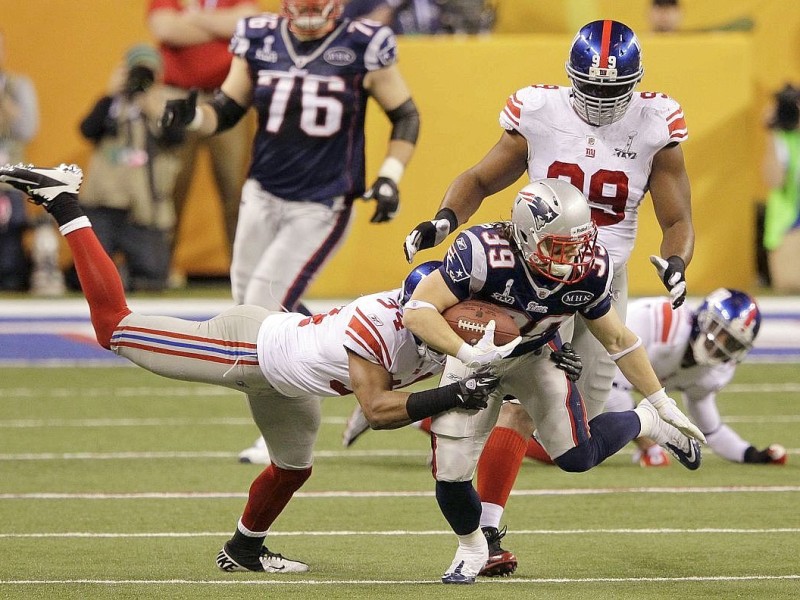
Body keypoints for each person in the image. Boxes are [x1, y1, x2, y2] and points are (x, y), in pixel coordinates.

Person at [0, 162, 500, 575]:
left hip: (291, 378)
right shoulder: (382, 323)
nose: (462, 318)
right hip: (245, 349)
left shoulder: (440, 319)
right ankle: (64, 200)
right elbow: (378, 409)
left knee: (292, 467)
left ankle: (242, 550)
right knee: (114, 326)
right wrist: (453, 396)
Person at [402, 19, 694, 576]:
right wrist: (444, 219)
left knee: (581, 425)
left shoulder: (656, 124)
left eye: (615, 90)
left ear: (635, 83)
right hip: (535, 271)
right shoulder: (540, 110)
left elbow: (677, 216)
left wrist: (677, 262)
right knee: (518, 392)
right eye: (594, 87)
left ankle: (645, 421)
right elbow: (482, 178)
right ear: (571, 77)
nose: (604, 101)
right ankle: (486, 528)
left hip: (603, 277)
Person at [401, 178, 705, 584]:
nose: (575, 257)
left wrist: (661, 399)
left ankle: (647, 421)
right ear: (527, 236)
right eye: (561, 247)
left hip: (537, 356)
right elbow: (419, 310)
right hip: (471, 355)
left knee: (576, 457)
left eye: (579, 244)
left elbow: (617, 338)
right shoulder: (482, 253)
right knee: (451, 472)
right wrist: (470, 354)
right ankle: (472, 547)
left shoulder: (592, 267)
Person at [160, 1, 420, 463]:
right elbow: (226, 108)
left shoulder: (364, 43)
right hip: (262, 193)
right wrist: (192, 117)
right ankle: (366, 371)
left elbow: (405, 114)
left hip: (322, 201)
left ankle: (282, 433)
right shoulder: (259, 35)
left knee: (261, 309)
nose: (308, 10)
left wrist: (389, 177)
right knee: (251, 308)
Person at [606, 290, 787, 466]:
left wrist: (751, 454)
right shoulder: (662, 323)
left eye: (731, 343)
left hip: (609, 379)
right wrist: (649, 445)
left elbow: (710, 431)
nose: (721, 345)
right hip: (594, 350)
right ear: (703, 318)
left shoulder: (714, 371)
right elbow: (610, 390)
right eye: (719, 332)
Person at [147, 0, 258, 255]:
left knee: (236, 188)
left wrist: (192, 16)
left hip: (229, 97)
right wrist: (221, 24)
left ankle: (241, 268)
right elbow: (165, 29)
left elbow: (247, 24)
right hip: (177, 95)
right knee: (170, 186)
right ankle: (158, 267)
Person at [76, 44, 183, 291]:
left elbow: (178, 140)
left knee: (153, 277)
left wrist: (155, 111)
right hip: (105, 202)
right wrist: (110, 95)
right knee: (88, 275)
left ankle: (132, 273)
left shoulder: (167, 102)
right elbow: (87, 130)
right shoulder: (112, 103)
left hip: (145, 205)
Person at [762, 83, 800, 292]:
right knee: (791, 292)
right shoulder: (782, 138)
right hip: (790, 226)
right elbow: (774, 180)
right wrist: (771, 133)